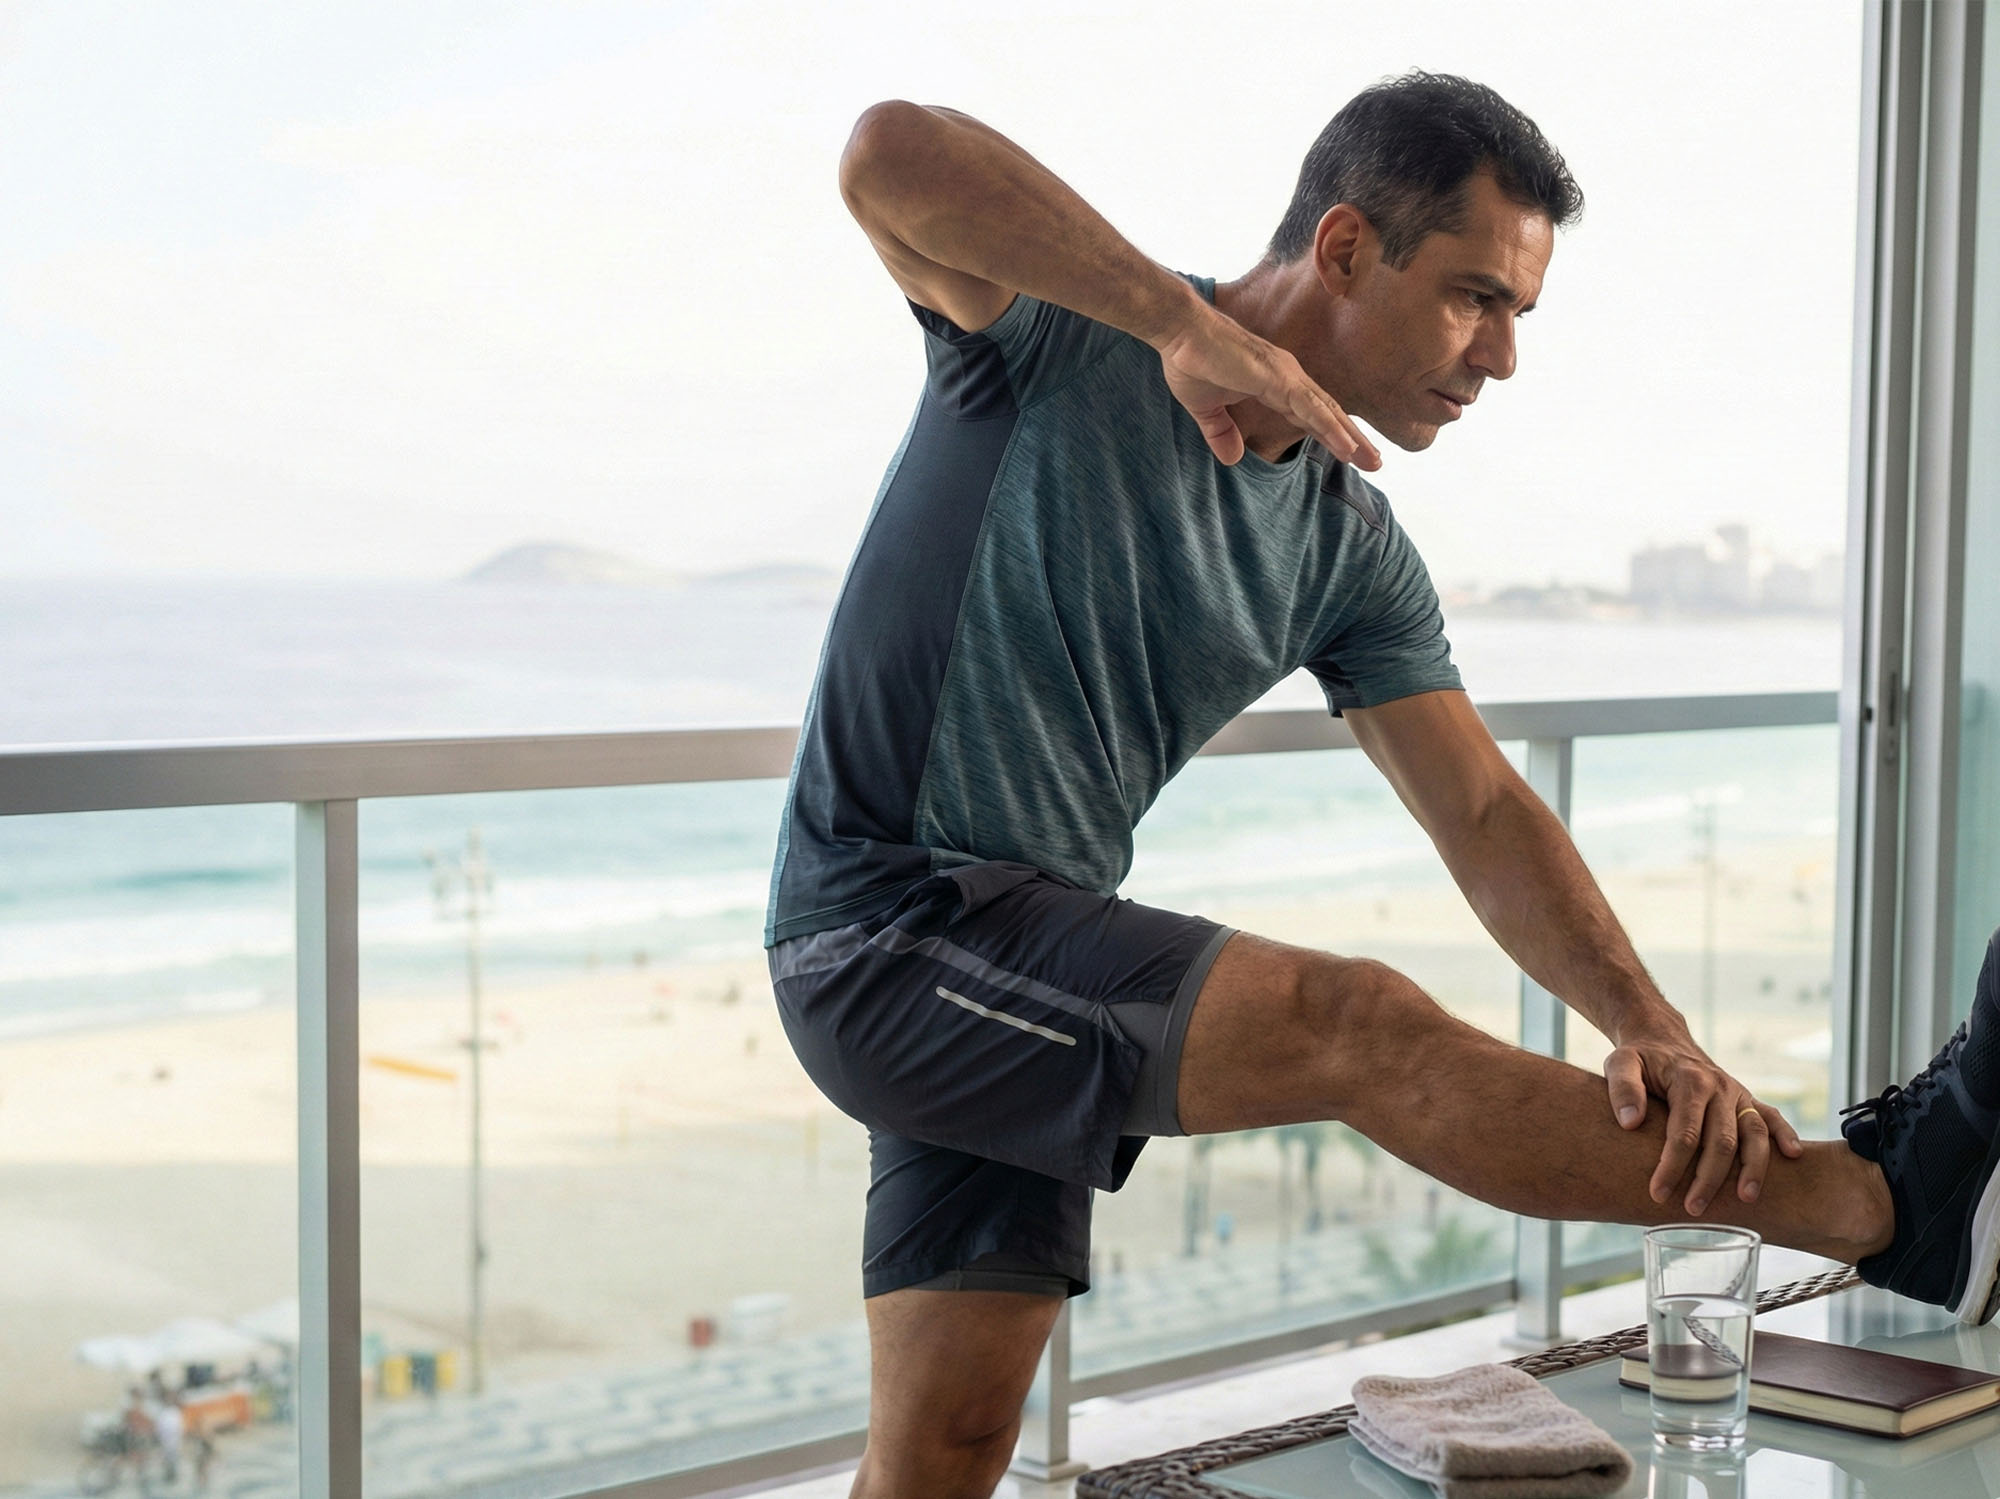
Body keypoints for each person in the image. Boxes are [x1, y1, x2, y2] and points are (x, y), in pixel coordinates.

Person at [763, 72, 2000, 1498]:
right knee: (1351, 1021)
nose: (1501, 358)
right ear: (1346, 249)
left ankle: (1905, 1202)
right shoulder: (1067, 333)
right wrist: (1180, 323)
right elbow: (888, 154)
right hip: (888, 933)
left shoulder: (1349, 544)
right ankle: (1888, 1205)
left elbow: (1483, 811)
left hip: (1023, 970)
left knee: (947, 1454)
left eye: (1521, 313)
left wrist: (1649, 1026)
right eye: (1476, 296)